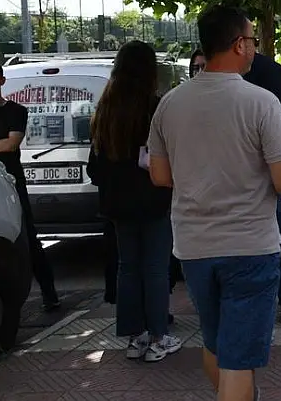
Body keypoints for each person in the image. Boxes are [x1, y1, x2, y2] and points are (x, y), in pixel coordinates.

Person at [149, 5, 281, 401]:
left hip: (194, 246)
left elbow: (160, 176)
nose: (254, 48)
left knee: (216, 345)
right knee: (238, 359)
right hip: (250, 245)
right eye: (252, 40)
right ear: (237, 44)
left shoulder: (170, 104)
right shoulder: (261, 102)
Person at [88, 41, 181, 362]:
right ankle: (159, 336)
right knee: (156, 267)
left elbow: (94, 166)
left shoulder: (105, 110)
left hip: (116, 203)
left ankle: (135, 336)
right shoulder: (156, 108)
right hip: (155, 198)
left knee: (128, 266)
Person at [0, 61, 59, 311]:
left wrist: (0, 144)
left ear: (2, 81)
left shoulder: (16, 111)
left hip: (11, 183)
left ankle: (49, 292)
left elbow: (10, 145)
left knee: (28, 237)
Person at [242, 51, 281, 324]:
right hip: (270, 168)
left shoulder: (185, 97)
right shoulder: (271, 73)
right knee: (275, 234)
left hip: (246, 173)